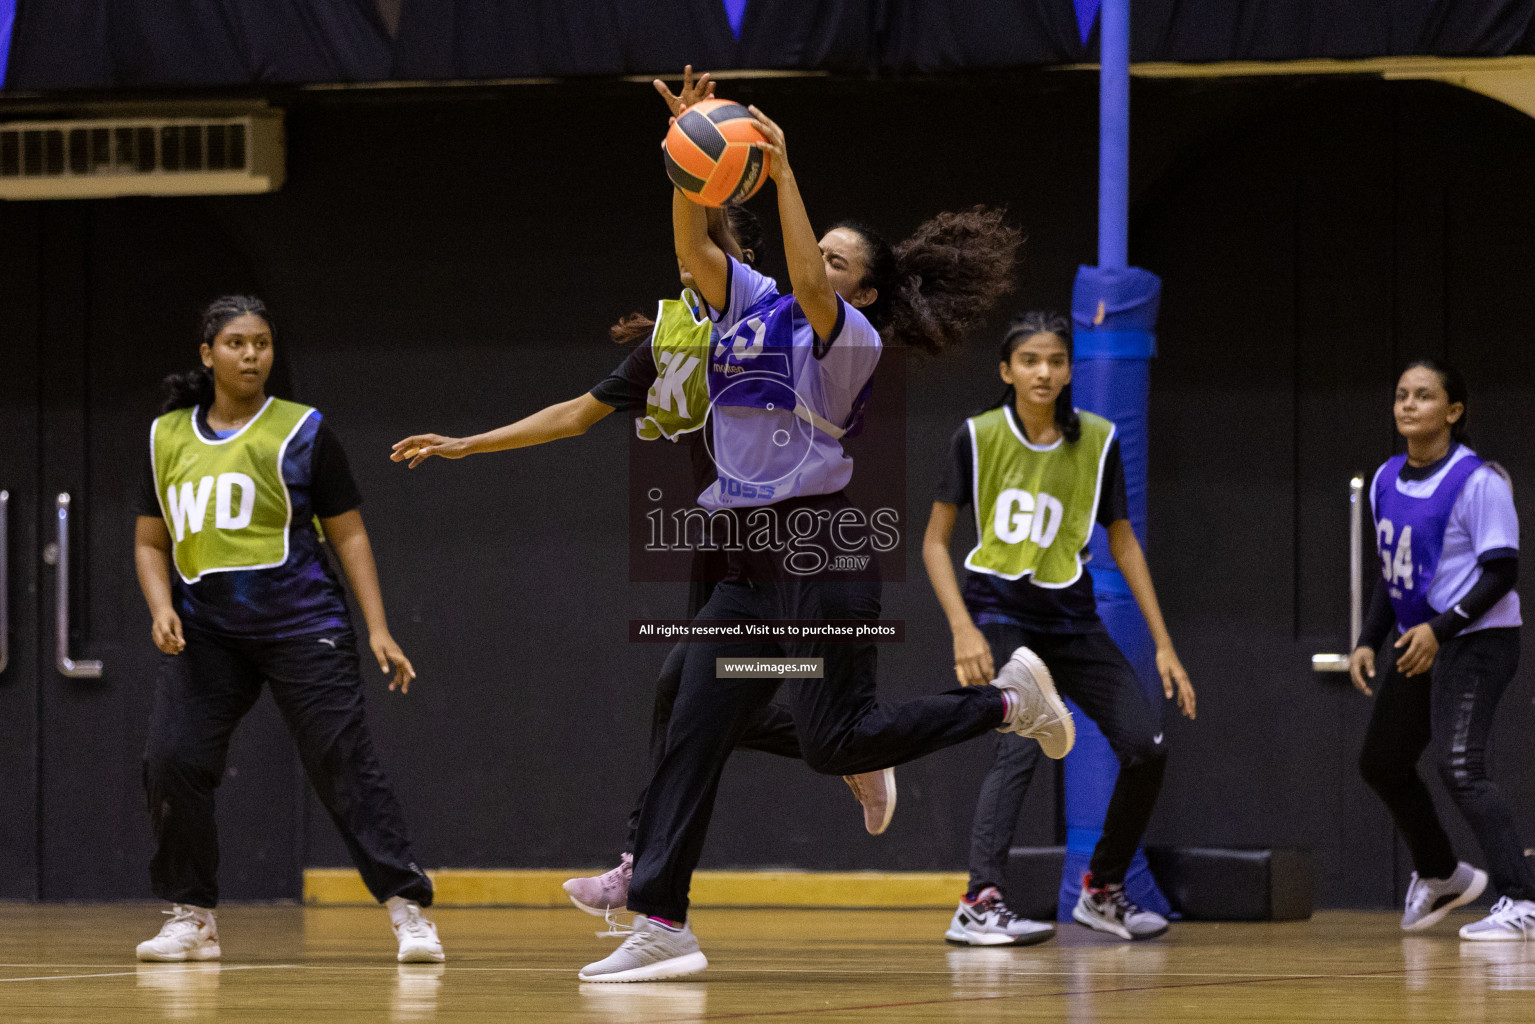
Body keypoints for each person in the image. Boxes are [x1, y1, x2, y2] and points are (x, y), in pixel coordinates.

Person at [577, 87, 1057, 984]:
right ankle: (662, 919)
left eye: (836, 257)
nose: (817, 260)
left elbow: (805, 278)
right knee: (689, 707)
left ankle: (1004, 705)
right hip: (750, 563)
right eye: (815, 246)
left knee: (836, 734)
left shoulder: (850, 338)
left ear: (862, 289)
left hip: (823, 545)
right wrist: (687, 158)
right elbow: (694, 245)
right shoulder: (750, 308)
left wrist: (785, 168)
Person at [389, 192, 895, 923]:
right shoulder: (670, 344)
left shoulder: (783, 331)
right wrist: (468, 443)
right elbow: (573, 416)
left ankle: (653, 860)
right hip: (722, 549)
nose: (692, 270)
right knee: (699, 701)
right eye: (686, 260)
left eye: (708, 254)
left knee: (697, 694)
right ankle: (848, 746)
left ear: (739, 264)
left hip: (791, 542)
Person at [133, 296, 443, 964]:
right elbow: (150, 542)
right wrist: (161, 605)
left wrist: (379, 628)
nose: (251, 355)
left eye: (263, 343)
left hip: (303, 624)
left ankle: (407, 909)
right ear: (207, 353)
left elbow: (348, 532)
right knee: (172, 760)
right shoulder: (167, 437)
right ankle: (192, 917)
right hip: (206, 633)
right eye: (238, 343)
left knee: (340, 762)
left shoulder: (302, 430)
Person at [922, 312, 1196, 945]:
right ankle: (979, 901)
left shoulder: (1097, 440)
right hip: (1000, 611)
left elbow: (1122, 542)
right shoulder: (978, 435)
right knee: (1020, 739)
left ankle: (1102, 890)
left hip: (1071, 620)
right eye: (1029, 360)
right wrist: (963, 628)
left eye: (1054, 361)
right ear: (1007, 371)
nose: (1043, 371)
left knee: (1145, 748)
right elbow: (935, 542)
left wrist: (1163, 644)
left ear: (1070, 370)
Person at [1350, 358, 1533, 940]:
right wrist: (1366, 640)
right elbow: (1390, 572)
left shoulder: (1478, 481)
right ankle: (1443, 875)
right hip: (1421, 640)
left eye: (1424, 396)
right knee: (1381, 761)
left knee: (1461, 765)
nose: (1408, 405)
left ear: (1453, 412)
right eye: (1402, 394)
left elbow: (1501, 572)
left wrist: (1440, 630)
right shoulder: (1384, 480)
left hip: (1477, 639)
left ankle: (1524, 900)